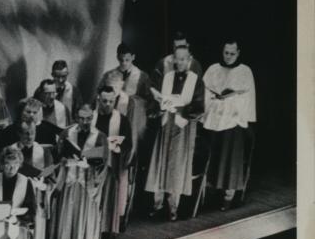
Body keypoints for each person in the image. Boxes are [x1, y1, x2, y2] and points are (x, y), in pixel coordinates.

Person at [145, 44, 204, 220]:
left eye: (183, 59)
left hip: (183, 127)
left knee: (176, 166)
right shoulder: (167, 76)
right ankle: (157, 204)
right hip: (166, 125)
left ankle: (173, 207)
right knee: (161, 163)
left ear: (189, 59)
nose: (180, 62)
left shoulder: (196, 80)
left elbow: (199, 107)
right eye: (177, 59)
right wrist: (160, 105)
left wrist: (182, 110)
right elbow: (158, 102)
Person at [49, 104, 108, 239]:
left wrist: (90, 165)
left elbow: (104, 163)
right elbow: (58, 156)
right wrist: (64, 160)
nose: (85, 122)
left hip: (88, 185)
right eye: (81, 118)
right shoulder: (67, 133)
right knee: (67, 216)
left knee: (84, 218)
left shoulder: (100, 137)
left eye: (88, 119)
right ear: (76, 118)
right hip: (69, 181)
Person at [201, 40, 256, 208]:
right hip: (215, 118)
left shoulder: (245, 71)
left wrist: (231, 100)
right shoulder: (213, 69)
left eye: (232, 53)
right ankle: (211, 192)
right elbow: (204, 91)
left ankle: (228, 195)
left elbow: (248, 98)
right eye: (226, 53)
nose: (229, 57)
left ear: (238, 53)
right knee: (214, 155)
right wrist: (215, 99)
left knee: (230, 159)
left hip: (233, 120)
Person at [100, 43, 154, 160]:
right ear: (117, 57)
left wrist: (132, 101)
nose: (124, 63)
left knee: (128, 154)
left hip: (132, 122)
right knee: (111, 153)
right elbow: (99, 96)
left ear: (133, 57)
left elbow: (149, 101)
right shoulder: (109, 76)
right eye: (121, 60)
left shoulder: (142, 77)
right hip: (112, 120)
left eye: (127, 60)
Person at [92, 85, 135, 235]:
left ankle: (106, 233)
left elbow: (128, 144)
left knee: (109, 204)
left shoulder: (121, 120)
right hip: (92, 168)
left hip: (111, 168)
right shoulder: (91, 117)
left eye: (111, 101)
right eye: (104, 101)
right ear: (98, 99)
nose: (108, 105)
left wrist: (111, 146)